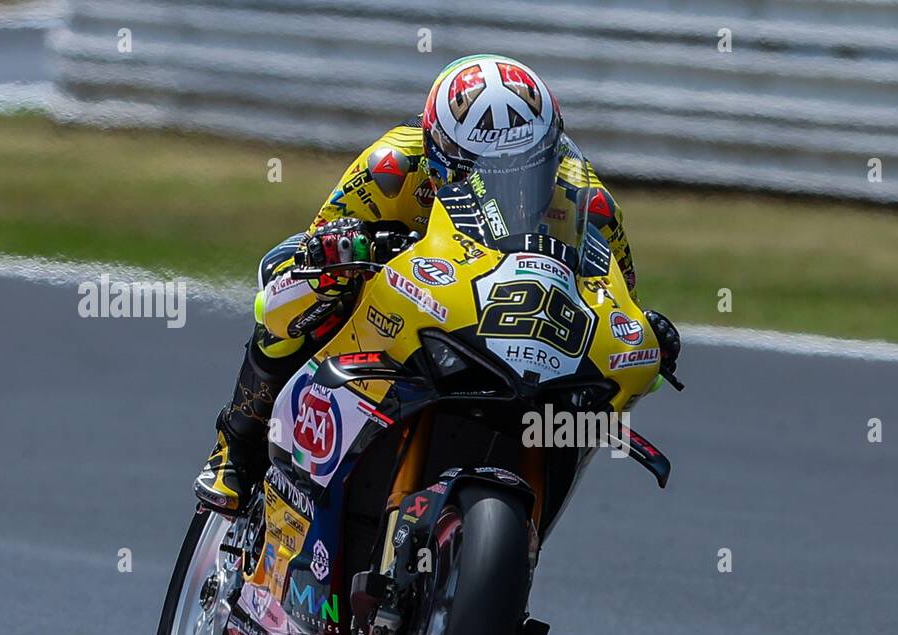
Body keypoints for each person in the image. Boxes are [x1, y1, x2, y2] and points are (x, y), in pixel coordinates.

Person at [196, 54, 681, 515]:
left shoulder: (588, 200)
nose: (505, 181)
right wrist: (342, 251)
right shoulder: (390, 168)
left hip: (508, 322)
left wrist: (647, 331)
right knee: (301, 288)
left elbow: (616, 293)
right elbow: (316, 246)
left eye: (525, 165)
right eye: (481, 167)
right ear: (438, 148)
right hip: (403, 303)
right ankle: (235, 446)